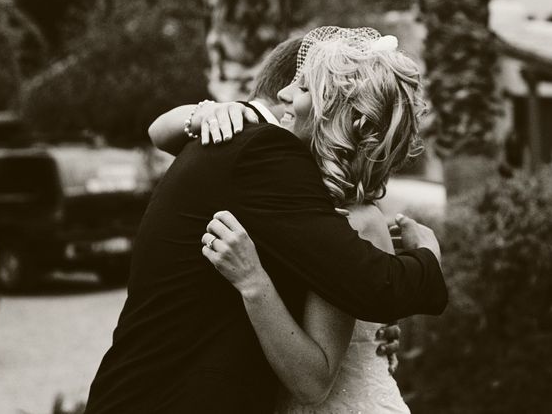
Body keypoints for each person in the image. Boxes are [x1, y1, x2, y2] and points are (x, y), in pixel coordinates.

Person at [84, 28, 447, 414]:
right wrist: (428, 255)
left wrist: (370, 329)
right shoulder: (263, 153)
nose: (284, 95)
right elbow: (372, 285)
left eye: (304, 87)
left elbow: (362, 291)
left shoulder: (292, 180)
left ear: (340, 115)